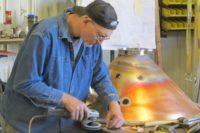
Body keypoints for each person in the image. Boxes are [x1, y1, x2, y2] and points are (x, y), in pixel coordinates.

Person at [0, 0, 125, 132]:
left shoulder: (92, 43)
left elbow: (100, 77)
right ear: (86, 21)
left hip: (65, 125)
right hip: (29, 124)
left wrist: (113, 105)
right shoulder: (44, 34)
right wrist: (65, 99)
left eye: (105, 38)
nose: (100, 43)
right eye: (100, 35)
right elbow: (25, 83)